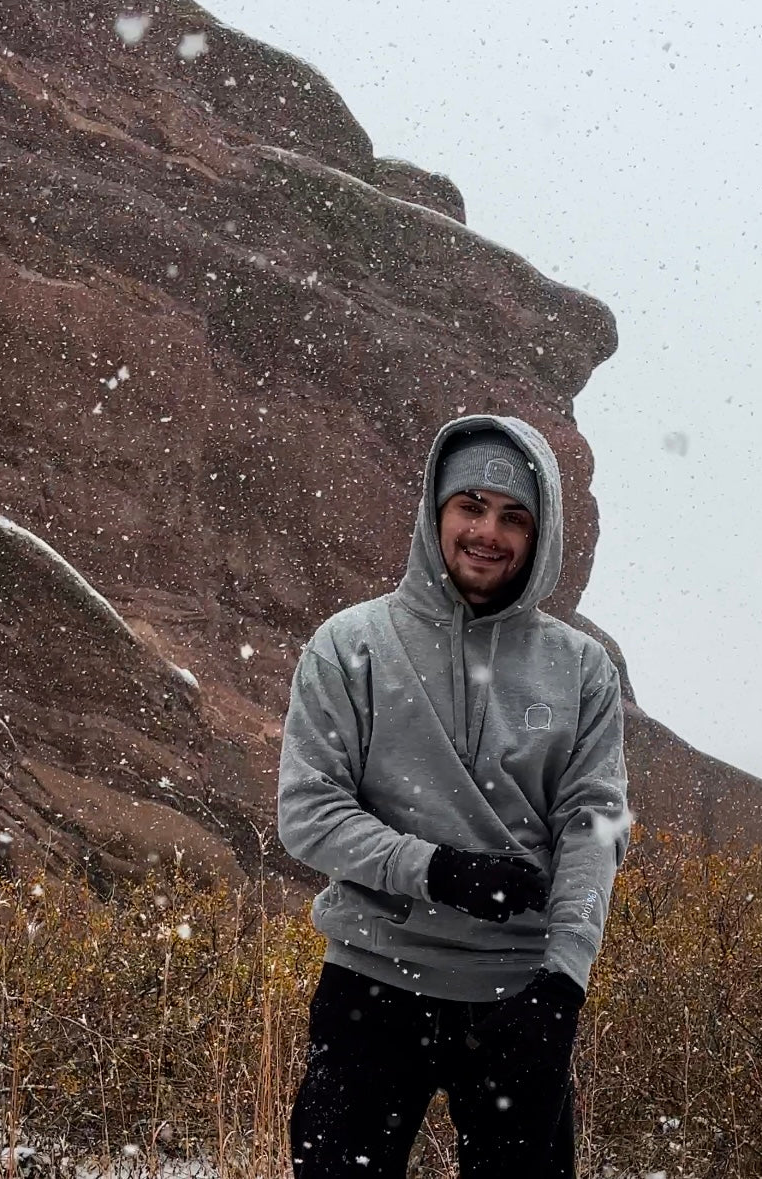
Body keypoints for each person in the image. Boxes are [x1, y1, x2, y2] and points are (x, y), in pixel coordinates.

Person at [278, 414, 629, 1178]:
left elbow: (593, 826)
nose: (487, 531)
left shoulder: (581, 670)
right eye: (470, 504)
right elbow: (308, 813)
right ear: (436, 509)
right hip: (370, 982)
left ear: (541, 536)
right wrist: (438, 870)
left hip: (520, 998)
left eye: (514, 516)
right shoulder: (349, 646)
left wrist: (563, 980)